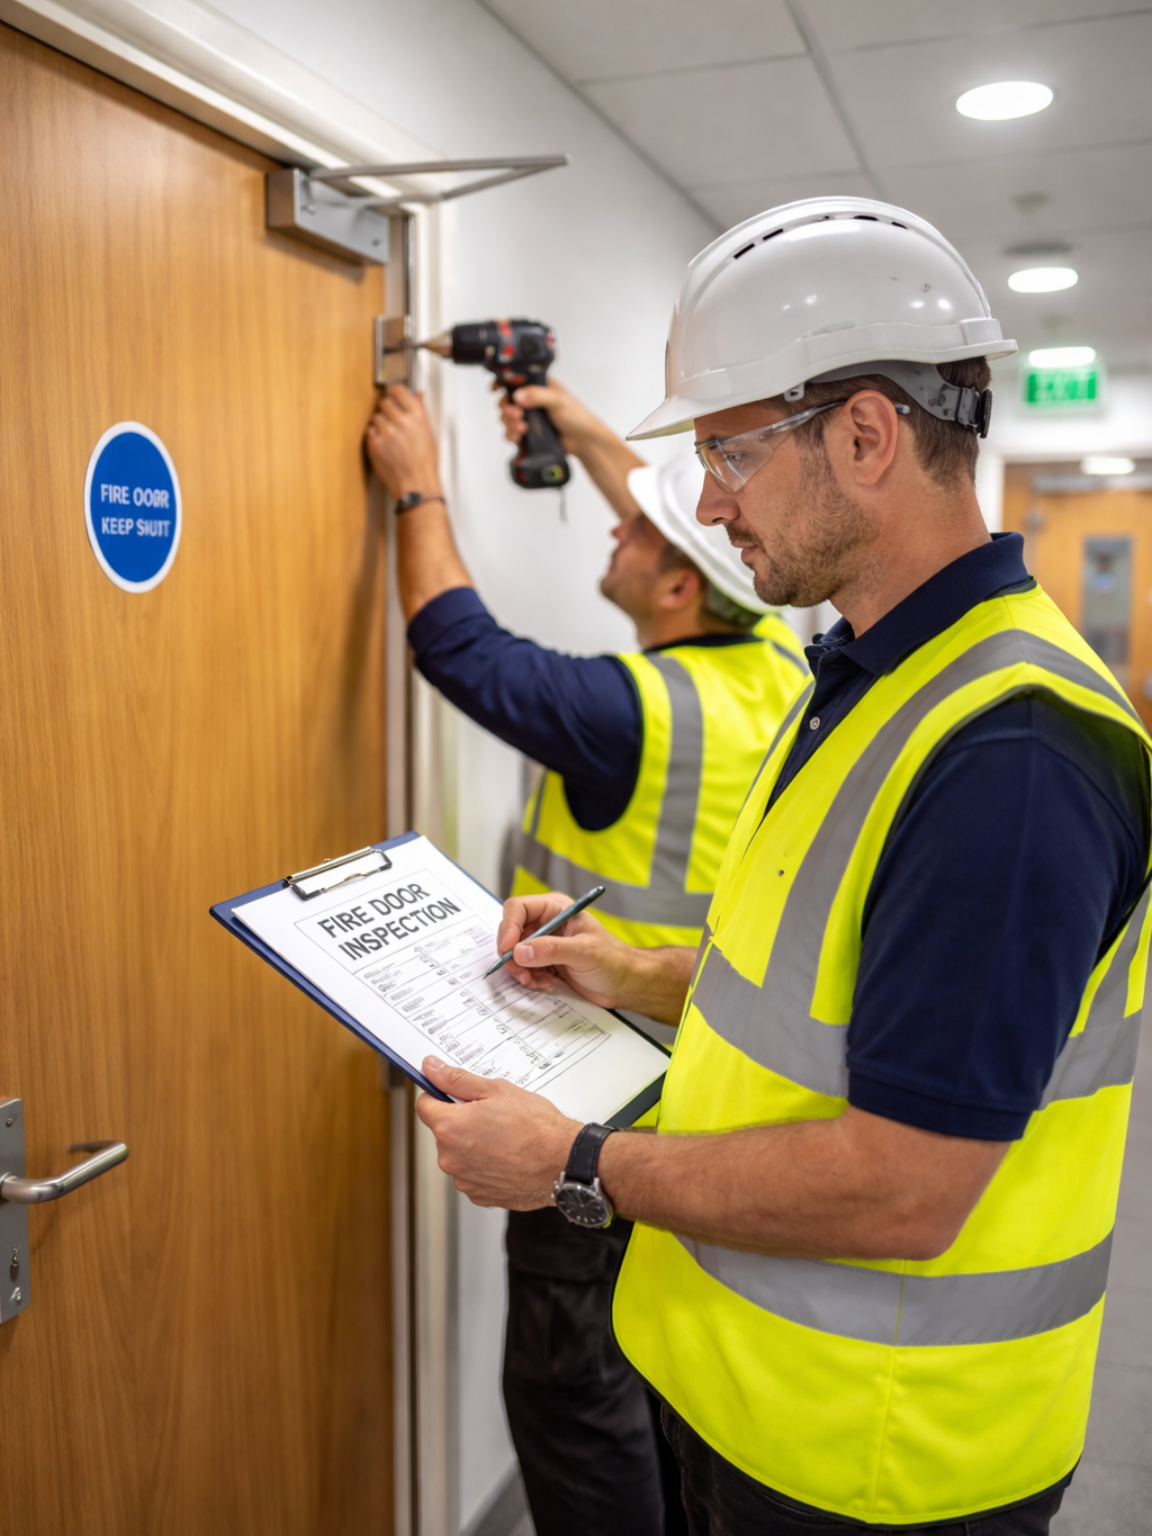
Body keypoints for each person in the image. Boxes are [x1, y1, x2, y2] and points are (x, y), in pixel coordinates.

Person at [411, 197, 1152, 1536]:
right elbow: (818, 984)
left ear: (866, 435)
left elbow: (907, 1184)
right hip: (749, 1404)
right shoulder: (867, 676)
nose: (707, 505)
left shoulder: (1014, 754)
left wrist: (576, 1162)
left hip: (877, 1462)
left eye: (730, 455)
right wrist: (631, 969)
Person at [364, 377, 808, 1536]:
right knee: (657, 1374)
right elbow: (673, 531)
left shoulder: (628, 711)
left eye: (639, 533)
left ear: (678, 586)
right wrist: (584, 431)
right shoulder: (777, 657)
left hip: (593, 1105)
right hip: (712, 1090)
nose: (620, 529)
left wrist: (416, 484)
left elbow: (460, 648)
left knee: (572, 1394)